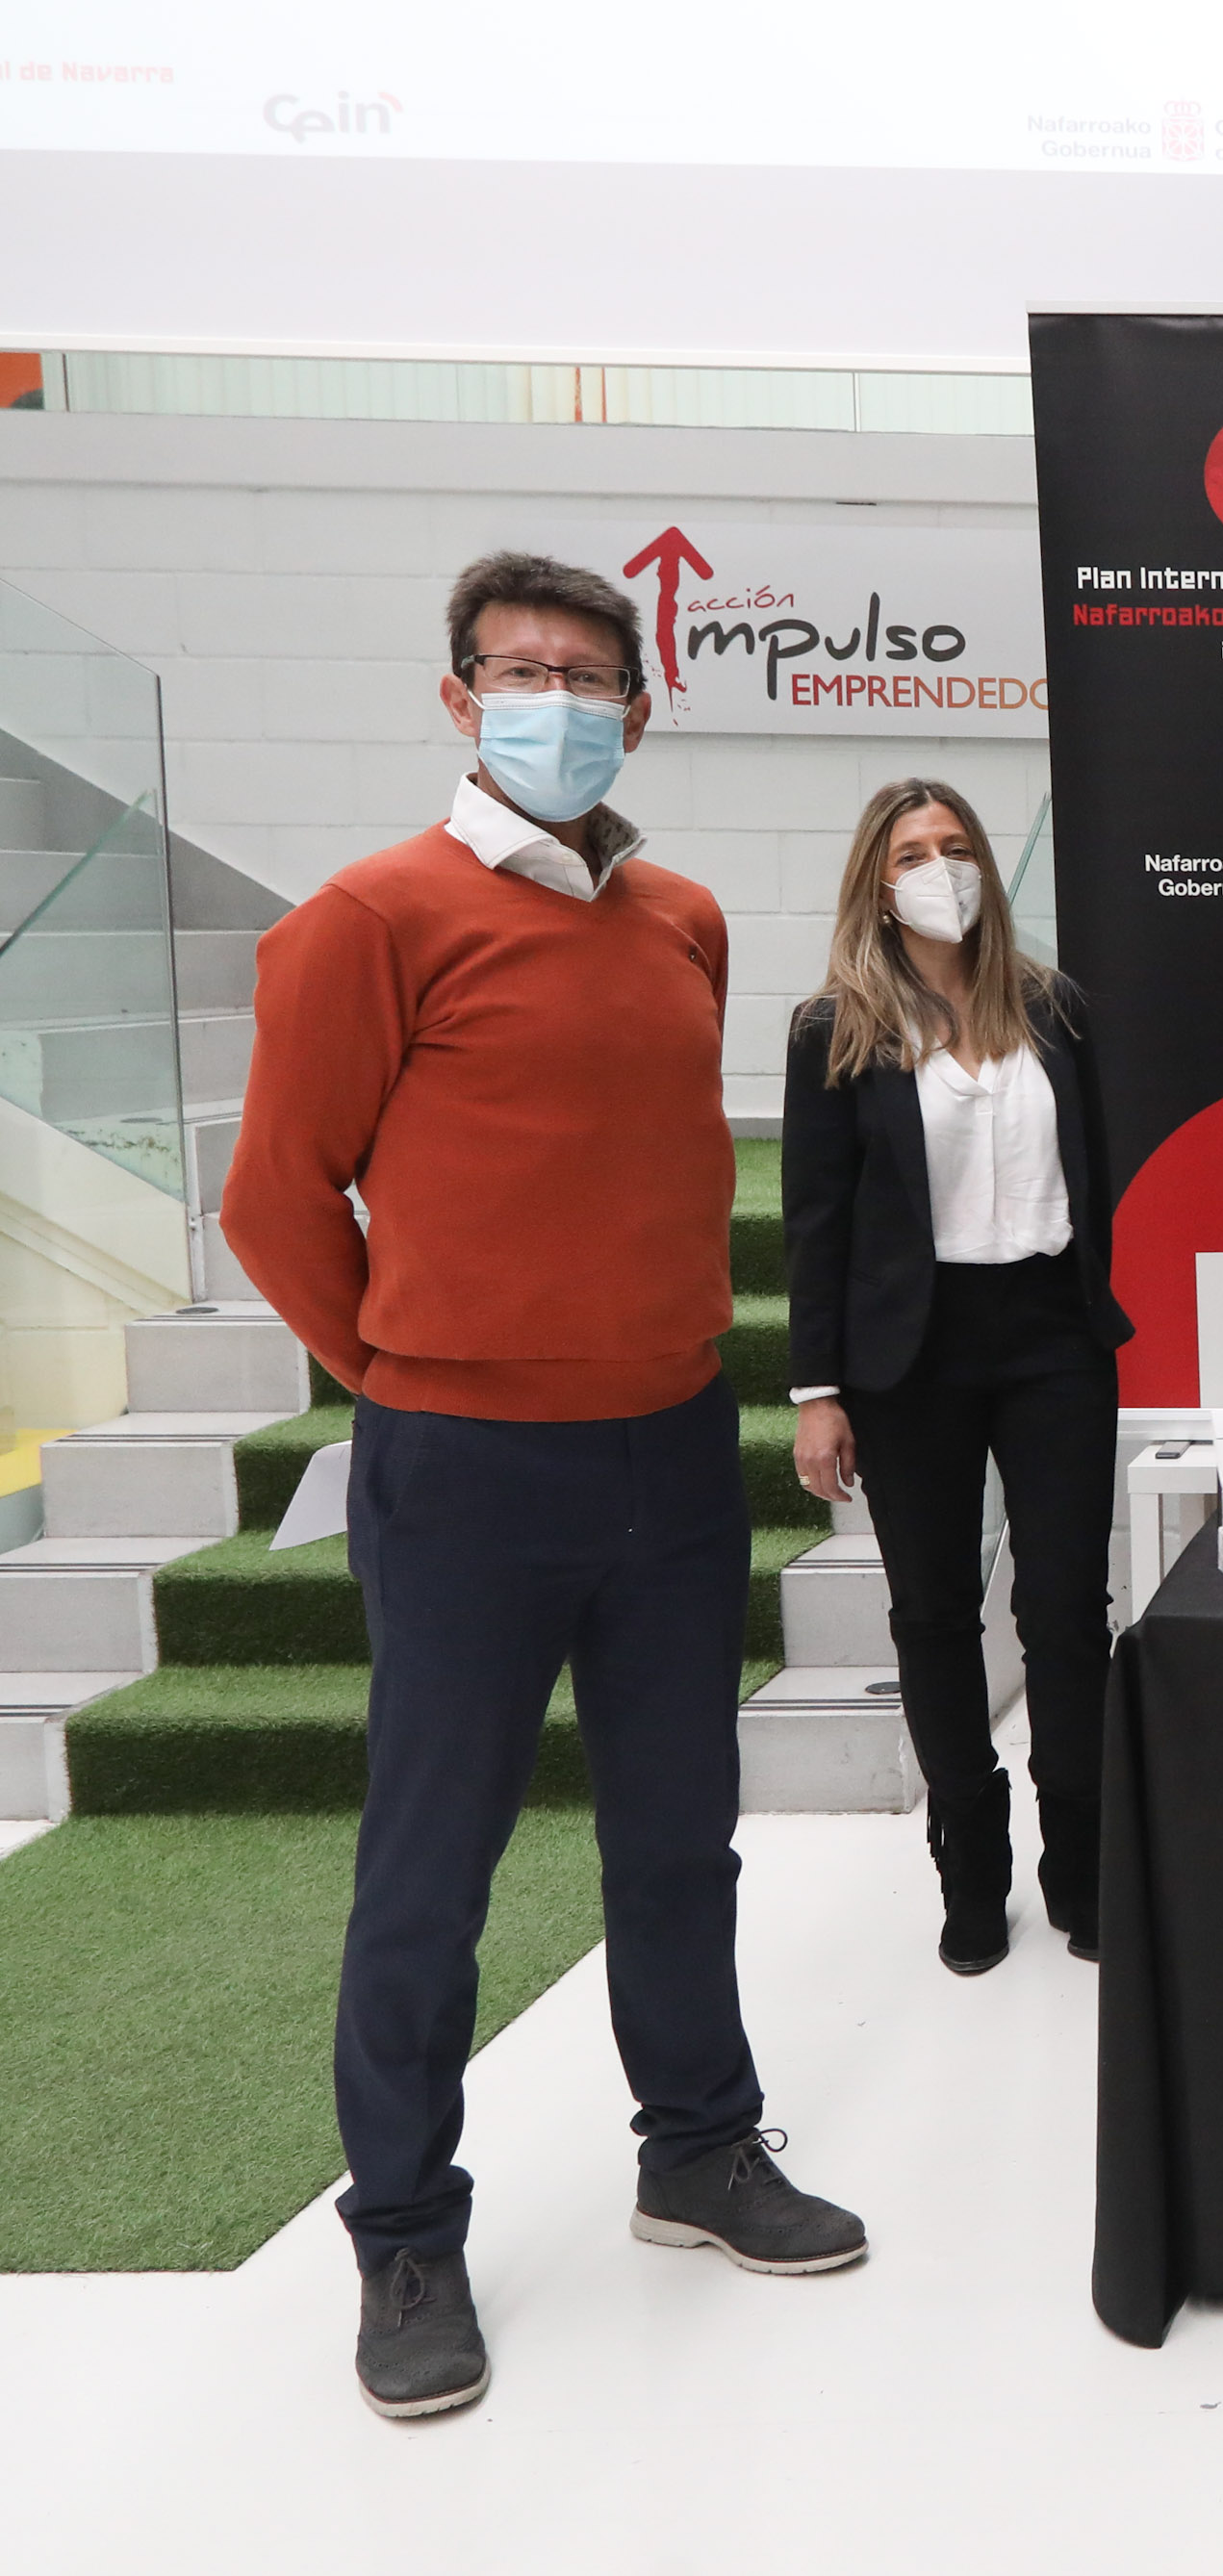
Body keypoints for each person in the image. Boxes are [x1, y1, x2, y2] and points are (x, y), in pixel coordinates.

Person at [224, 552, 864, 2423]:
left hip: (673, 1455)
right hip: (464, 1472)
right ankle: (407, 2233)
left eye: (590, 675)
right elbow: (276, 1196)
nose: (557, 700)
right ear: (459, 700)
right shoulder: (365, 919)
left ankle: (698, 2148)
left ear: (641, 709)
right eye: (520, 671)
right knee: (430, 1873)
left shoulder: (678, 917)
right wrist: (412, 1368)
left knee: (679, 1837)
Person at [783, 780, 1130, 1977]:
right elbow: (815, 1221)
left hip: (1050, 1339)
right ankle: (969, 1863)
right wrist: (817, 1390)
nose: (941, 867)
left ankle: (1080, 1866)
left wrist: (1089, 1310)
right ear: (877, 884)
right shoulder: (835, 1026)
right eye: (914, 853)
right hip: (907, 1354)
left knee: (1066, 1615)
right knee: (934, 1614)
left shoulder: (1053, 1007)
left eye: (956, 846)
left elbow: (1095, 1173)